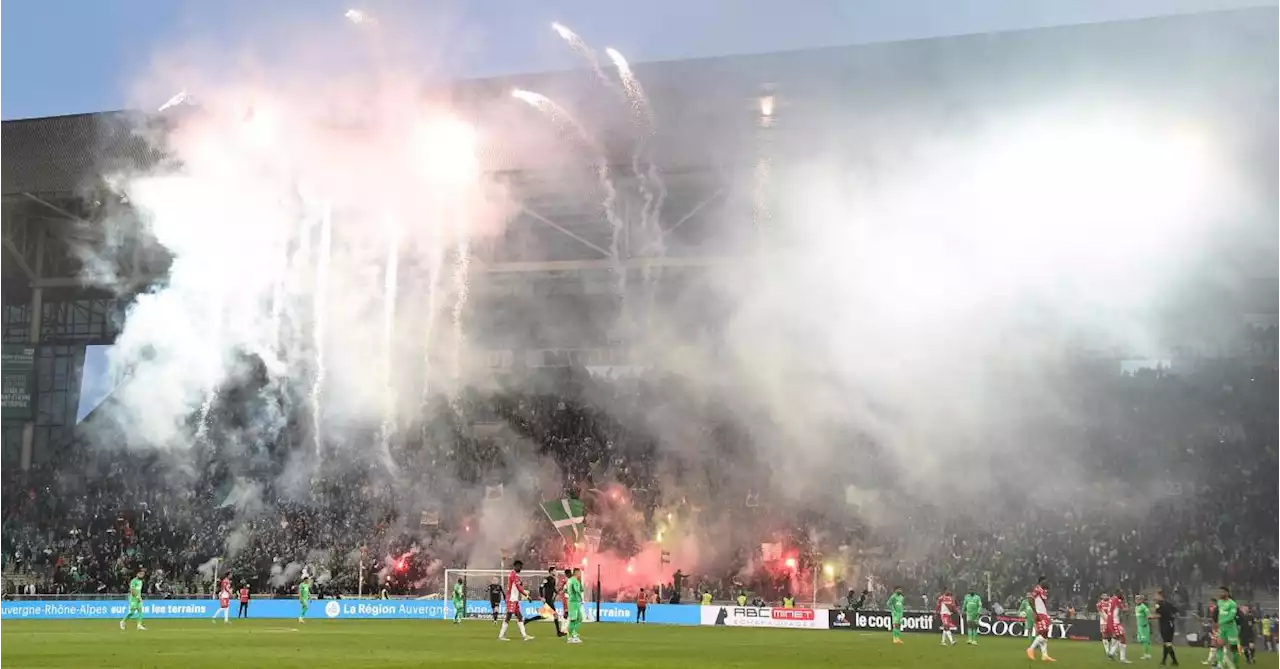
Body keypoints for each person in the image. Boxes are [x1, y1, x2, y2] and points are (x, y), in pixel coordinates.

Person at [498, 560, 533, 642]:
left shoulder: (514, 575)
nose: (521, 569)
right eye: (520, 567)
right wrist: (527, 596)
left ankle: (525, 635)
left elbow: (519, 586)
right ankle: (501, 635)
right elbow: (519, 588)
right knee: (509, 616)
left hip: (514, 599)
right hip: (511, 599)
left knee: (519, 616)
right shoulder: (514, 575)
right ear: (516, 566)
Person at [1026, 577, 1056, 662]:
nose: (1047, 590)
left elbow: (1043, 604)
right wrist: (1035, 612)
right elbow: (1030, 599)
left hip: (1044, 614)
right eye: (1046, 587)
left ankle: (1045, 655)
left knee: (1045, 634)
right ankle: (1031, 649)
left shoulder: (1042, 591)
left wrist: (1047, 615)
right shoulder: (1037, 589)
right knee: (1043, 633)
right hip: (1039, 614)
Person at [1154, 589, 1179, 666]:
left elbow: (1159, 615)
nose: (1155, 596)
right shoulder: (1168, 603)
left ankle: (1175, 661)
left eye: (1156, 595)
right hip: (1171, 625)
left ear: (1160, 596)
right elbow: (1176, 612)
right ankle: (1164, 661)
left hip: (1164, 626)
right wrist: (1171, 618)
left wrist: (1149, 617)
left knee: (1167, 643)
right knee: (1166, 643)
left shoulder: (1158, 604)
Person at [1217, 587, 1240, 669]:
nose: (1221, 593)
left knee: (1233, 649)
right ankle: (1220, 665)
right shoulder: (1219, 602)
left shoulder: (1232, 604)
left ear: (1227, 593)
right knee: (1219, 646)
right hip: (1222, 629)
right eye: (1220, 592)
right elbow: (1220, 614)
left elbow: (1231, 617)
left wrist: (1220, 622)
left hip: (1231, 629)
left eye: (1223, 592)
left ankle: (1235, 665)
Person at [539, 569, 563, 636]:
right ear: (551, 572)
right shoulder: (547, 579)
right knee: (555, 615)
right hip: (547, 599)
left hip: (550, 599)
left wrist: (557, 592)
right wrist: (542, 597)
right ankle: (558, 632)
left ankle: (527, 620)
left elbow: (553, 588)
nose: (555, 572)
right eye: (554, 571)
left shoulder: (554, 580)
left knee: (544, 615)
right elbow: (540, 587)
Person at [1109, 588, 1131, 663]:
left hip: (1112, 621)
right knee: (1122, 638)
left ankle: (1112, 653)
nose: (1122, 595)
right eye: (1121, 593)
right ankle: (1120, 657)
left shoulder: (1111, 599)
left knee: (1119, 638)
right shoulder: (1116, 600)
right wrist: (1128, 608)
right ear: (1118, 593)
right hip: (1115, 622)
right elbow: (1124, 610)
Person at [566, 567, 584, 644]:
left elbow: (581, 589)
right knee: (573, 620)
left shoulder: (571, 580)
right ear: (576, 573)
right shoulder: (573, 580)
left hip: (574, 601)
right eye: (579, 573)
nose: (580, 574)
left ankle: (574, 634)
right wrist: (581, 598)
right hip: (573, 602)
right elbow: (577, 591)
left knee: (579, 618)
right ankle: (571, 637)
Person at [1100, 589, 1116, 659]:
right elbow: (1100, 612)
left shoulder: (1111, 602)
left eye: (1106, 595)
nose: (1105, 596)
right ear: (1101, 597)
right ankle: (1107, 651)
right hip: (1103, 622)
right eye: (1104, 595)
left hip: (1111, 621)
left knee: (1114, 635)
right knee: (1105, 636)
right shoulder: (1099, 604)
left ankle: (1112, 651)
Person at [1136, 594, 1153, 660]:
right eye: (1136, 599)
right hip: (1139, 626)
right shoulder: (1136, 607)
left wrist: (1148, 620)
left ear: (1141, 600)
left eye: (1139, 599)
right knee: (1141, 640)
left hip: (1144, 626)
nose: (1137, 600)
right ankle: (1146, 653)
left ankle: (1147, 654)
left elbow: (1149, 616)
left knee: (1145, 640)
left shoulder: (1144, 607)